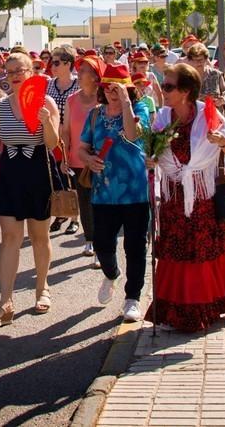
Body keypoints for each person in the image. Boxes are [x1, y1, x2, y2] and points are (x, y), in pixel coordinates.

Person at [146, 63, 225, 332]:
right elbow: (153, 153)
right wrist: (150, 160)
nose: (163, 90)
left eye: (169, 86)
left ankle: (209, 305)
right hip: (174, 198)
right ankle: (178, 309)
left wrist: (222, 143)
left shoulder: (208, 114)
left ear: (185, 91)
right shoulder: (161, 118)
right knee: (178, 254)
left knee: (205, 252)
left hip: (204, 197)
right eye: (164, 84)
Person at [0, 53, 60, 327]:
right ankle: (5, 303)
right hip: (10, 173)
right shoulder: (0, 106)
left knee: (40, 236)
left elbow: (53, 144)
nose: (14, 75)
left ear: (31, 72)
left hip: (38, 170)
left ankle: (42, 289)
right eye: (10, 70)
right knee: (9, 238)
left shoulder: (46, 101)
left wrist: (46, 120)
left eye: (20, 70)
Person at [78, 64, 151, 323]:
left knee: (135, 247)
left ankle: (133, 298)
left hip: (135, 192)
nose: (111, 91)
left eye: (117, 87)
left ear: (129, 89)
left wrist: (125, 102)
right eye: (107, 86)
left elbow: (132, 135)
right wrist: (88, 160)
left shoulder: (139, 110)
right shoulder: (95, 115)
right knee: (102, 244)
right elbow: (82, 148)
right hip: (103, 192)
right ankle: (111, 274)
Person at [61, 55, 103, 264]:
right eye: (79, 69)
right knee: (85, 202)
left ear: (96, 76)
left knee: (101, 204)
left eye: (85, 70)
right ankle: (90, 240)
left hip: (102, 160)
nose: (79, 73)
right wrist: (64, 155)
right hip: (78, 160)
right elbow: (66, 131)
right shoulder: (72, 100)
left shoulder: (103, 98)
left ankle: (101, 248)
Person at [46, 45, 80, 233]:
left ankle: (75, 218)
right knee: (56, 178)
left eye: (57, 62)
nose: (52, 65)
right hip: (53, 138)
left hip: (72, 138)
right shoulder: (49, 84)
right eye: (52, 62)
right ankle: (60, 212)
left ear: (68, 63)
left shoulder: (78, 84)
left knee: (71, 179)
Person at [186, 43, 225, 107]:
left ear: (206, 59)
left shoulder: (216, 74)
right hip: (194, 114)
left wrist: (223, 100)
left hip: (214, 113)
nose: (198, 62)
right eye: (195, 60)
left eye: (200, 59)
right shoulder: (186, 77)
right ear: (190, 60)